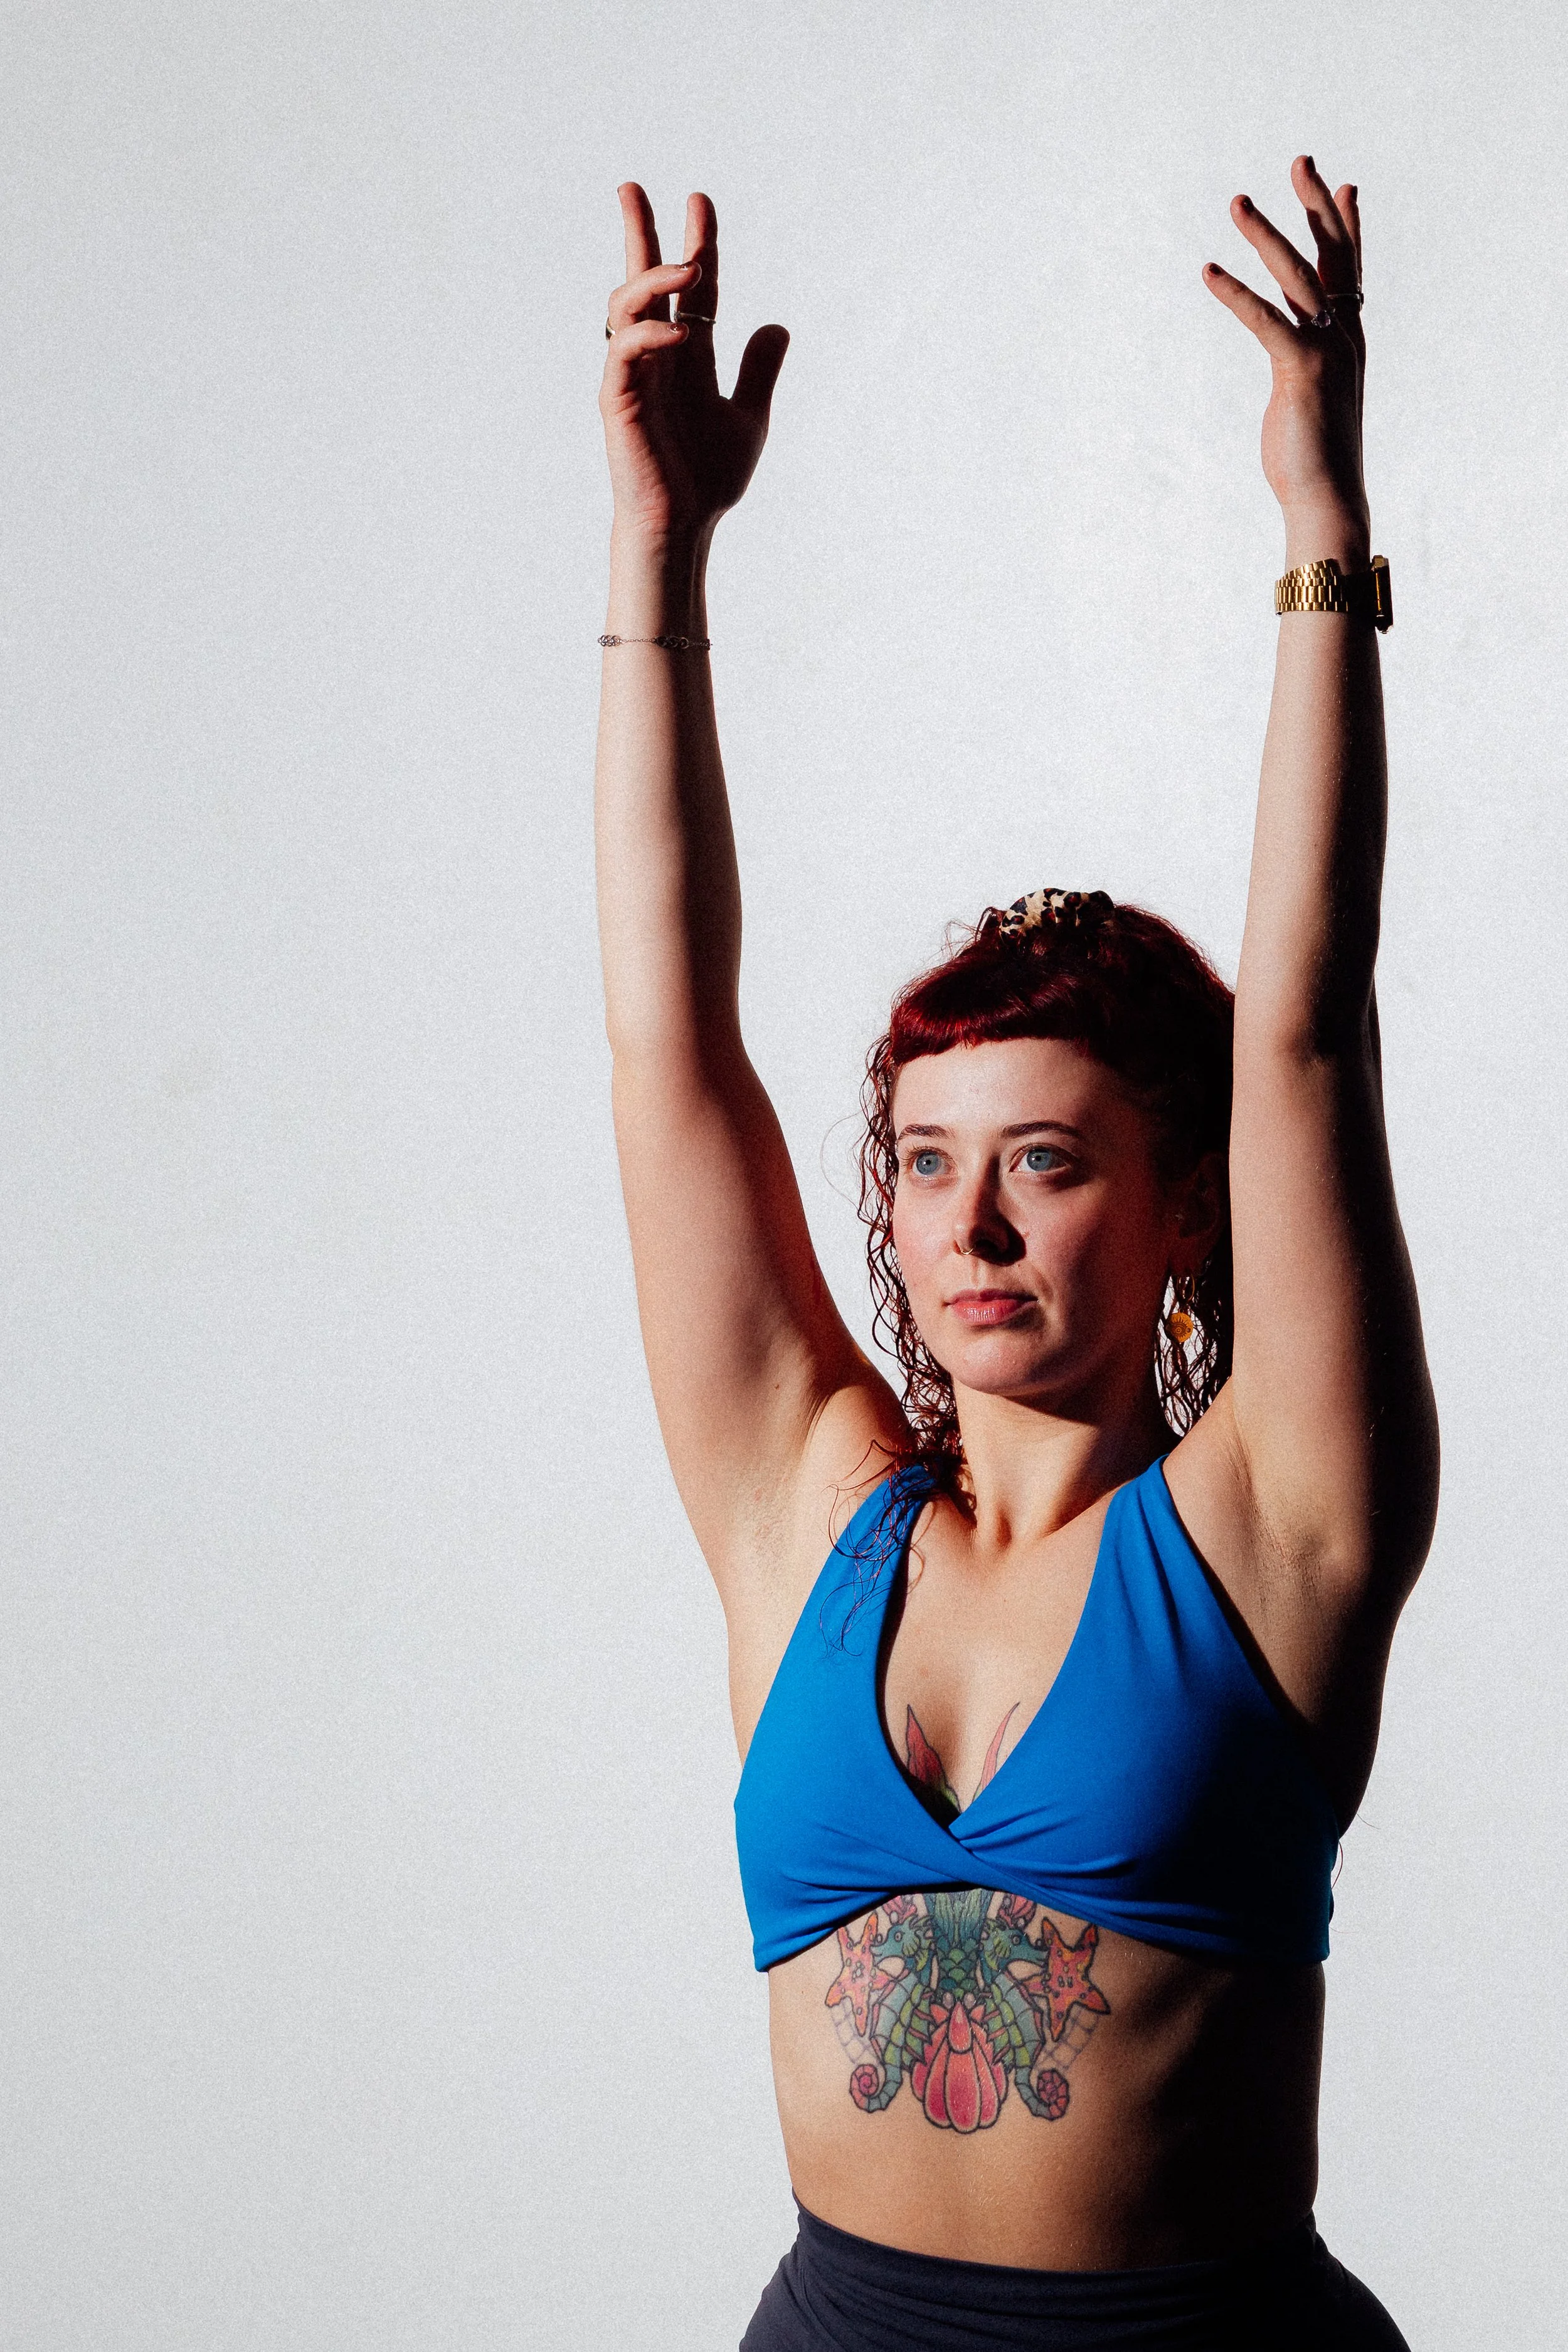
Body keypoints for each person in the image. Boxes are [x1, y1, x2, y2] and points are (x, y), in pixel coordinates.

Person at [593, 154, 1435, 2352]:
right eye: (925, 1159)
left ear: (1176, 1206)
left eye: (1043, 1159)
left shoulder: (1271, 1525)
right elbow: (668, 1046)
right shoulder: (808, 1513)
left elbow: (1308, 1032)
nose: (963, 1222)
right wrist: (656, 559)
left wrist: (1316, 535)